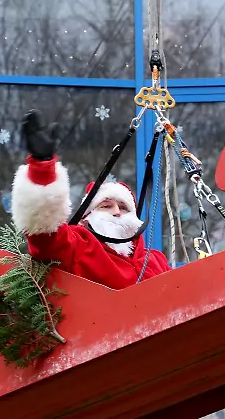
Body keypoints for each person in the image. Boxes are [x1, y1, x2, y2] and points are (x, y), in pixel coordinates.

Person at [9, 109, 171, 289]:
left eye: (124, 207)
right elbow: (44, 234)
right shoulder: (78, 248)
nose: (117, 212)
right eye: (106, 206)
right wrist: (42, 167)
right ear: (87, 217)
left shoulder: (156, 260)